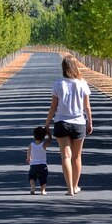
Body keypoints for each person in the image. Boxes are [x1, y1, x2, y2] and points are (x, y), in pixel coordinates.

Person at [45, 56, 92, 196]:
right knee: (77, 156)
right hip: (78, 123)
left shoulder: (58, 84)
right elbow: (87, 107)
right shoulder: (82, 83)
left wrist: (47, 124)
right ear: (75, 66)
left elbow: (53, 108)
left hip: (61, 123)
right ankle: (76, 185)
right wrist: (90, 122)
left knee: (66, 156)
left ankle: (70, 188)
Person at [26, 126, 52, 195]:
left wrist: (28, 158)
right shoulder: (43, 145)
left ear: (34, 136)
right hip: (42, 165)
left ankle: (32, 186)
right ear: (43, 137)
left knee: (32, 177)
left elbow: (28, 152)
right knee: (43, 178)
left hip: (33, 165)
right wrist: (49, 133)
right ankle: (43, 190)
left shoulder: (31, 145)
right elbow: (49, 140)